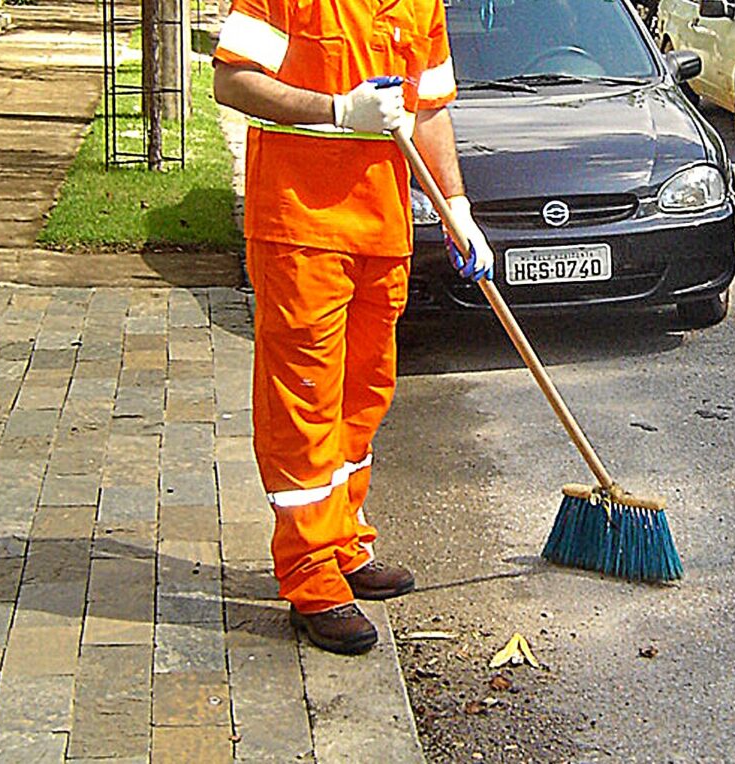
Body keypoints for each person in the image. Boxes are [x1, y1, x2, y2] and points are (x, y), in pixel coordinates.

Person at [212, 0, 494, 655]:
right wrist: (338, 111)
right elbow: (232, 81)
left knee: (363, 394)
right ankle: (310, 578)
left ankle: (342, 542)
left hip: (382, 228)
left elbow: (429, 108)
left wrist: (457, 207)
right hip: (299, 226)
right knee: (304, 401)